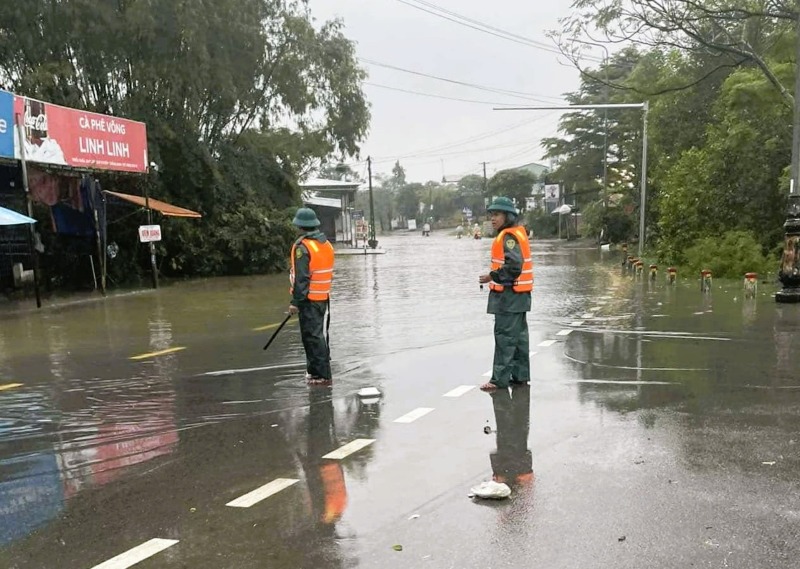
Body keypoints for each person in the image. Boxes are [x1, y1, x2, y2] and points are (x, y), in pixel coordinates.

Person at [478, 197, 533, 392]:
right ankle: (520, 376)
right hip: (520, 295)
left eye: (497, 215)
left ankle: (499, 380)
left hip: (509, 296)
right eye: (491, 215)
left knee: (505, 337)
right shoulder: (518, 233)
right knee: (518, 338)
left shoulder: (509, 237)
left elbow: (514, 265)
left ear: (508, 216)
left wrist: (491, 276)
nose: (493, 219)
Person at [288, 208, 334, 385]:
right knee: (315, 335)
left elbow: (302, 278)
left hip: (309, 299)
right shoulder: (326, 244)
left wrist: (295, 302)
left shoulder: (303, 246)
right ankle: (315, 371)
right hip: (322, 297)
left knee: (312, 337)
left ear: (300, 226)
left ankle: (321, 375)